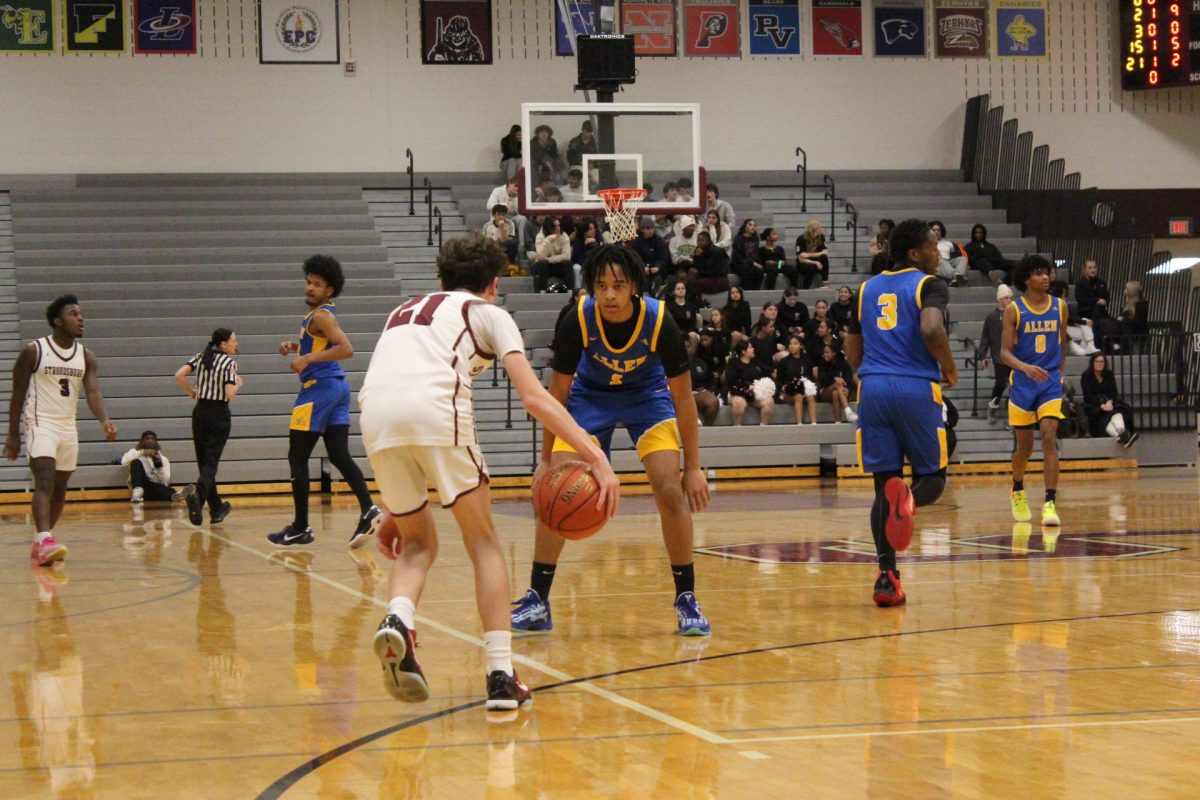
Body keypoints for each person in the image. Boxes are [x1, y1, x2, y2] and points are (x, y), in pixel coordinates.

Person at [359, 234, 618, 711]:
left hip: (375, 416)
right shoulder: (489, 313)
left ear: (441, 280)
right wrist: (595, 455)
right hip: (434, 408)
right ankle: (500, 675)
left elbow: (398, 393)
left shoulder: (403, 311)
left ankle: (398, 617)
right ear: (493, 286)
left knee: (417, 543)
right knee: (484, 545)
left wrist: (401, 505)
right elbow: (537, 399)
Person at [511, 245, 713, 636]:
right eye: (601, 286)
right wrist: (546, 458)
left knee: (669, 488)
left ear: (634, 286)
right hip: (589, 397)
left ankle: (686, 598)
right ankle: (538, 598)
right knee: (558, 486)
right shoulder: (576, 319)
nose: (609, 295)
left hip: (648, 397)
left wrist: (693, 468)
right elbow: (558, 395)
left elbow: (683, 397)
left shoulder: (659, 321)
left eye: (618, 286)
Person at [844, 219, 958, 607]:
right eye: (932, 245)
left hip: (872, 390)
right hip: (914, 386)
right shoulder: (929, 284)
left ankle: (886, 579)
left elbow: (852, 343)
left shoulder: (865, 289)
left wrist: (865, 369)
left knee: (883, 486)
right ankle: (906, 502)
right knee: (932, 480)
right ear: (914, 253)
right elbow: (930, 328)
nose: (937, 252)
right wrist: (949, 364)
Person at [268, 256, 381, 548]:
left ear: (330, 290)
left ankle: (301, 527)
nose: (310, 288)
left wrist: (307, 358)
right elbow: (322, 344)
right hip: (335, 388)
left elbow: (346, 349)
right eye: (309, 282)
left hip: (319, 390)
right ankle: (368, 510)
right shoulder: (318, 315)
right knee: (339, 455)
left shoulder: (322, 316)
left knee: (297, 456)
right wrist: (295, 346)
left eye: (317, 284)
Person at [5, 295, 118, 566]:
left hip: (68, 425)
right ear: (57, 321)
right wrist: (12, 434)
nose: (80, 318)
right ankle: (44, 538)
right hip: (39, 422)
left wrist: (104, 420)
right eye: (73, 314)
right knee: (44, 478)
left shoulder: (86, 356)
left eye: (81, 314)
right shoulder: (34, 351)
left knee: (60, 485)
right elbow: (17, 393)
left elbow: (92, 392)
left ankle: (42, 540)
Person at [1002, 255, 1069, 527]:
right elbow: (1004, 353)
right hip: (1023, 382)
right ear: (1027, 279)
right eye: (1039, 273)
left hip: (1050, 382)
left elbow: (1062, 342)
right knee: (1024, 449)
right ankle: (1017, 487)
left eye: (1047, 273)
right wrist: (1025, 367)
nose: (1046, 278)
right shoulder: (1014, 310)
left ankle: (1050, 503)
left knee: (1049, 435)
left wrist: (1059, 373)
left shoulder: (1060, 306)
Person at [175, 327, 242, 525]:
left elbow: (179, 375)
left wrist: (191, 393)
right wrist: (239, 384)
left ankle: (216, 508)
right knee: (211, 462)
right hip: (218, 414)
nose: (236, 344)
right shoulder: (229, 363)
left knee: (204, 462)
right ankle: (199, 496)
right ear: (223, 344)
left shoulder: (201, 356)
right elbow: (229, 394)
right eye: (233, 340)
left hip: (200, 412)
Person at [1080, 353, 1139, 448]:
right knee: (1106, 419)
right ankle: (1124, 436)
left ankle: (1121, 435)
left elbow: (1113, 392)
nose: (1099, 363)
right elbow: (1088, 395)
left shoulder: (1109, 374)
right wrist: (1101, 405)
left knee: (1119, 412)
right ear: (1092, 363)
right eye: (1097, 361)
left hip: (1109, 403)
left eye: (1102, 361)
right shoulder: (1086, 376)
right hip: (1094, 405)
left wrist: (1109, 402)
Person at [121, 431, 192, 504]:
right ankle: (138, 492)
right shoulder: (135, 452)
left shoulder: (163, 459)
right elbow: (124, 462)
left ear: (156, 442)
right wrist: (142, 452)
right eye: (147, 439)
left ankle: (175, 495)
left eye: (152, 439)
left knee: (164, 489)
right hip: (139, 486)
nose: (150, 441)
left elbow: (164, 482)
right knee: (135, 462)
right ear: (142, 441)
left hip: (152, 488)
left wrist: (159, 467)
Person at [976, 285, 1013, 414]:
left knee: (1015, 386)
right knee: (1001, 383)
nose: (1009, 300)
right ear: (1000, 300)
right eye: (1006, 298)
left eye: (1010, 298)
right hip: (999, 356)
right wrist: (982, 355)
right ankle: (994, 403)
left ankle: (1012, 414)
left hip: (1014, 355)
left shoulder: (1016, 314)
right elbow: (985, 337)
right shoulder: (992, 317)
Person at [725, 339, 774, 426]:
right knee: (739, 403)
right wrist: (747, 386)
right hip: (738, 391)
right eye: (750, 348)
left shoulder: (756, 362)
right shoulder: (733, 363)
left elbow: (767, 372)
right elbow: (731, 380)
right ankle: (737, 427)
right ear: (743, 351)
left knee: (769, 401)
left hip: (755, 392)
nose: (753, 349)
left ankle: (763, 426)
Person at [776, 336, 818, 425]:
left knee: (810, 396)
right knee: (798, 396)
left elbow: (810, 379)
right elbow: (779, 381)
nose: (792, 346)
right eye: (790, 344)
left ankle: (814, 423)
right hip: (787, 393)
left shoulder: (807, 361)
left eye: (795, 344)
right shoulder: (784, 362)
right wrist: (784, 386)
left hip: (803, 391)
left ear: (801, 346)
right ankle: (799, 424)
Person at [815, 344, 857, 424]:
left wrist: (848, 389)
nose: (825, 355)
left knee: (835, 393)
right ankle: (848, 410)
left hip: (840, 392)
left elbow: (849, 380)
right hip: (825, 392)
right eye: (824, 353)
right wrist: (834, 378)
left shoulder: (843, 363)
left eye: (827, 352)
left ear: (834, 353)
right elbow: (822, 381)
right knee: (838, 384)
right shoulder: (822, 363)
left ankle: (838, 422)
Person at [686, 333, 720, 426]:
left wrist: (707, 390)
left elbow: (711, 379)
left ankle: (707, 430)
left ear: (696, 345)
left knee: (713, 402)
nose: (687, 345)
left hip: (698, 393)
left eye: (691, 343)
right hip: (679, 392)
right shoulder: (673, 361)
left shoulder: (701, 363)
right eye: (686, 342)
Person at [629, 217, 670, 294]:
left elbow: (663, 257)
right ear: (642, 230)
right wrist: (643, 267)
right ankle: (650, 289)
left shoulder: (659, 241)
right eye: (648, 229)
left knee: (661, 274)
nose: (650, 231)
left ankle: (655, 288)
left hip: (655, 269)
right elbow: (634, 257)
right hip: (641, 270)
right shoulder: (636, 242)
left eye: (652, 228)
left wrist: (658, 266)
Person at [531, 217, 573, 293]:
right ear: (548, 227)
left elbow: (567, 256)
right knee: (543, 263)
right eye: (555, 226)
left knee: (567, 263)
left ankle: (570, 290)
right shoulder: (540, 236)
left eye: (559, 225)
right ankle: (542, 291)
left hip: (557, 264)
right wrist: (548, 240)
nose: (558, 228)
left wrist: (549, 259)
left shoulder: (564, 236)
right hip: (542, 266)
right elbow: (540, 255)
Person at [688, 230, 732, 295]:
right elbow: (696, 267)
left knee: (694, 284)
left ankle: (694, 298)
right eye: (698, 240)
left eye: (702, 240)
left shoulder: (716, 251)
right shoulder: (698, 250)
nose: (699, 242)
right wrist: (697, 257)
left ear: (708, 241)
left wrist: (699, 272)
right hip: (706, 276)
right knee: (690, 274)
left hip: (718, 278)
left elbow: (717, 272)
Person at [930, 221, 969, 286]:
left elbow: (959, 254)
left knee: (963, 258)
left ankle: (957, 278)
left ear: (941, 232)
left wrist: (966, 264)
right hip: (936, 262)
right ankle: (957, 276)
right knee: (940, 260)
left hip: (948, 262)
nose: (936, 232)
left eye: (938, 230)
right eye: (934, 230)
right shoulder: (928, 243)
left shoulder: (949, 243)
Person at [730, 219, 764, 290]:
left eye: (754, 225)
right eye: (750, 225)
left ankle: (756, 291)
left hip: (751, 264)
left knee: (760, 271)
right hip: (738, 264)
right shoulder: (739, 239)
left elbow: (755, 254)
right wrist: (752, 263)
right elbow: (737, 256)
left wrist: (755, 263)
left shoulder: (755, 238)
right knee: (749, 272)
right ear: (745, 227)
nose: (753, 227)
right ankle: (744, 289)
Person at [795, 219, 830, 288]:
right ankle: (805, 288)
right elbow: (801, 258)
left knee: (824, 257)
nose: (822, 229)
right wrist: (815, 262)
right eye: (820, 227)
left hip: (814, 260)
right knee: (810, 269)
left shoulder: (821, 237)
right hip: (804, 263)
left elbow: (825, 252)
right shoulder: (801, 239)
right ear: (814, 229)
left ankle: (825, 282)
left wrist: (808, 254)